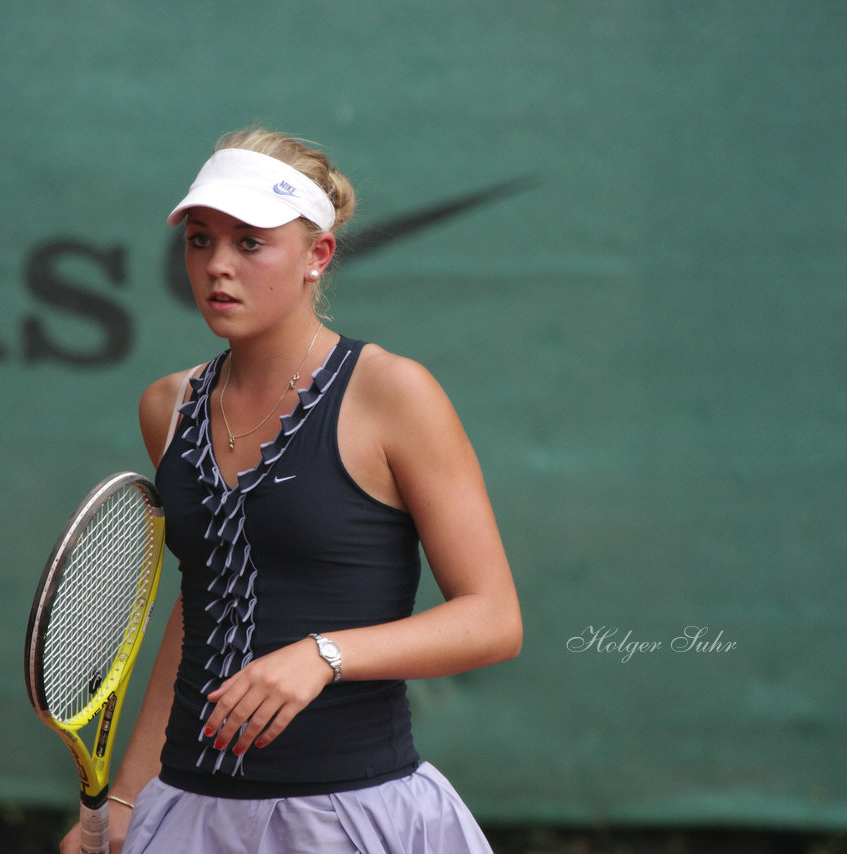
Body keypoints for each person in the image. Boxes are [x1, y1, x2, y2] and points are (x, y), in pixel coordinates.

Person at [60, 128, 522, 853]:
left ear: (318, 256)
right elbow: (200, 605)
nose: (217, 266)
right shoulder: (168, 406)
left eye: (250, 243)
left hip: (354, 818)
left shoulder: (395, 393)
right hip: (187, 814)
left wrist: (323, 654)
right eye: (201, 240)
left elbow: (494, 619)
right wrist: (123, 799)